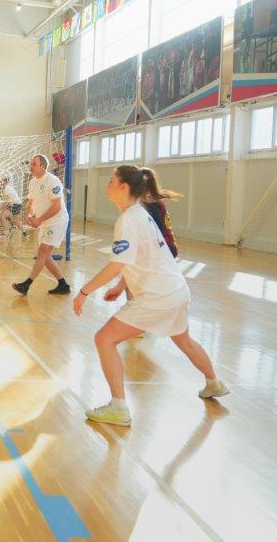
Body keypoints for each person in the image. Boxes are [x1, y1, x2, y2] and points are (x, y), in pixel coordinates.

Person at [73, 165, 228, 426]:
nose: (107, 185)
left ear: (124, 187)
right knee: (184, 340)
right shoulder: (140, 215)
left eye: (111, 181)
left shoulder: (128, 220)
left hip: (157, 297)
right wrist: (121, 287)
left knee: (104, 339)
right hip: (177, 291)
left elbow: (116, 264)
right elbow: (140, 258)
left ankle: (118, 408)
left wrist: (84, 291)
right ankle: (214, 382)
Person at [12, 154, 70, 296]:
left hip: (57, 221)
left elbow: (57, 206)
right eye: (31, 163)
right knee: (44, 254)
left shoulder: (53, 180)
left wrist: (39, 220)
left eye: (34, 164)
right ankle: (63, 284)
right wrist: (29, 215)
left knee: (43, 251)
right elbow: (31, 202)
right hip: (45, 222)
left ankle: (27, 284)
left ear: (43, 166)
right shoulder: (32, 182)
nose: (30, 166)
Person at [141, 173, 181, 259]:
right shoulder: (153, 199)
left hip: (166, 248)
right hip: (169, 246)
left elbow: (157, 230)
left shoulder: (151, 203)